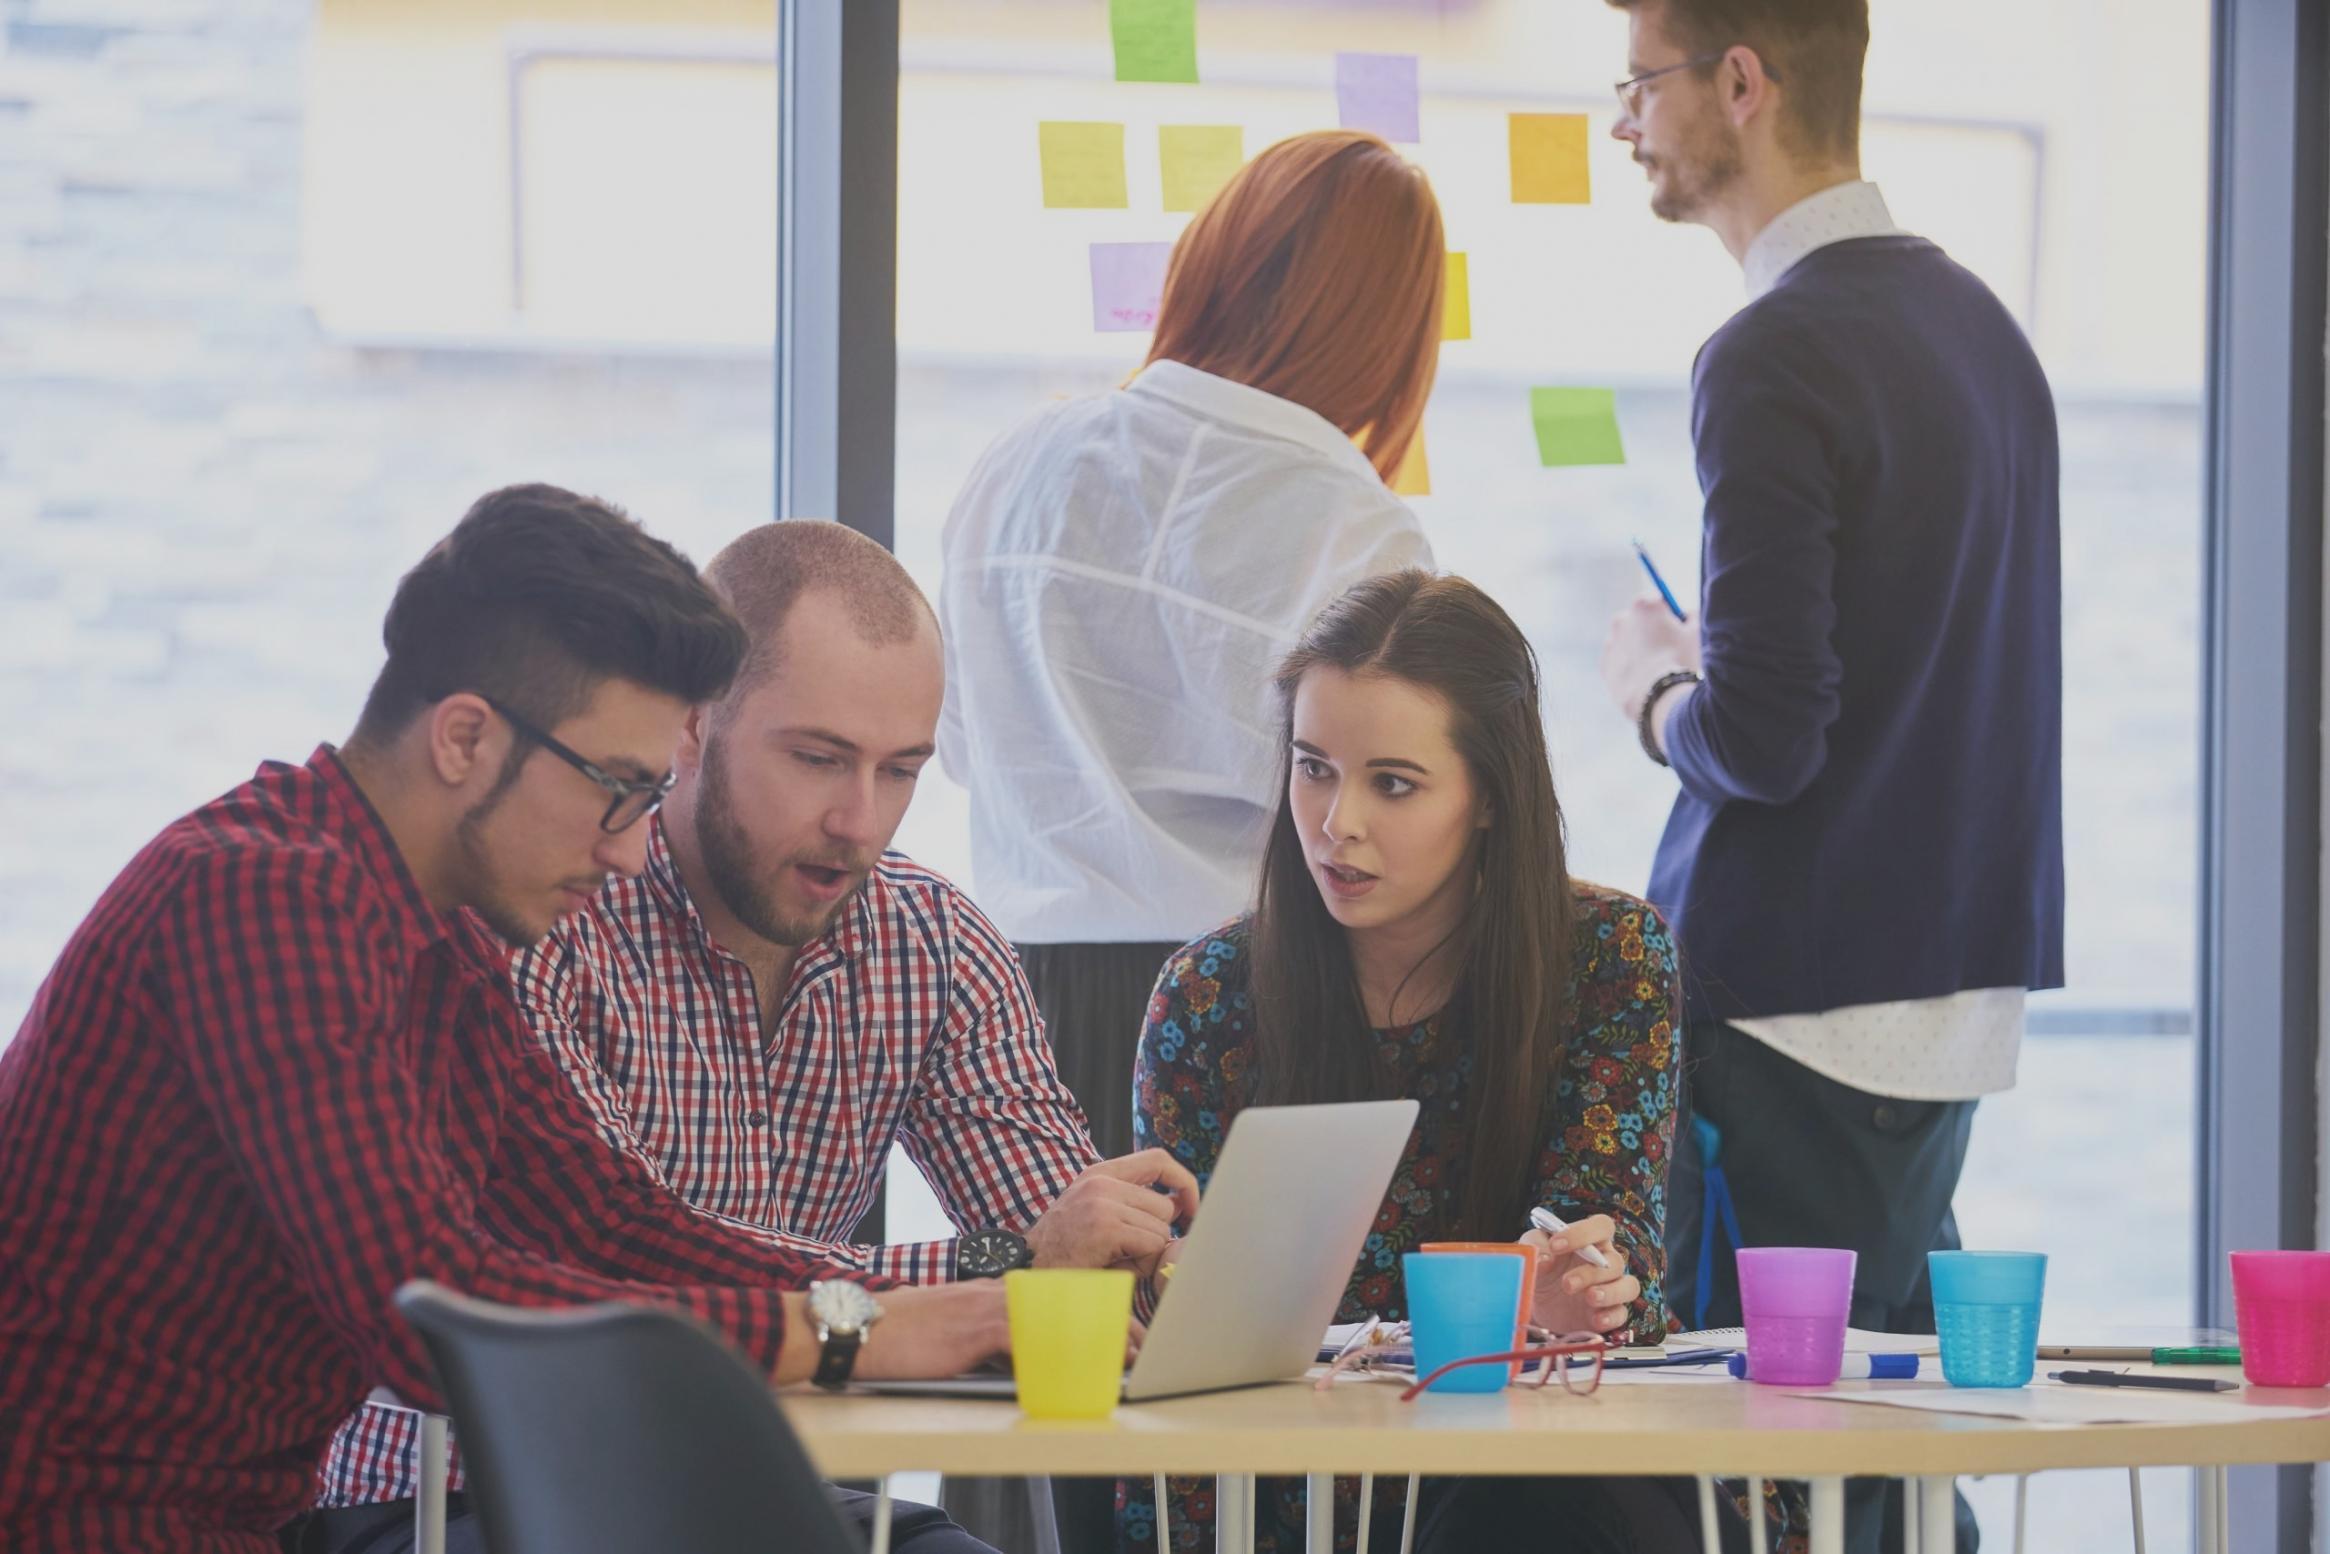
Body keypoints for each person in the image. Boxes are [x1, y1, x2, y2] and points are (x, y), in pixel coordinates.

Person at [0, 486, 1015, 1554]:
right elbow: (436, 1310)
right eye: (616, 788)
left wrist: (923, 1308)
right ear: (465, 740)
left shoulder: (443, 943)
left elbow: (614, 1226)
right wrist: (849, 1335)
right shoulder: (258, 894)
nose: (629, 849)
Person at [310, 518, 1199, 1554]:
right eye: (818, 760)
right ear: (689, 730)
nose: (858, 821)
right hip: (463, 1491)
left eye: (901, 771)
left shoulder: (929, 940)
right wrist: (967, 1282)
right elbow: (585, 1281)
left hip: (750, 1487)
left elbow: (621, 1226)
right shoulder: (524, 917)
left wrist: (1162, 1265)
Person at [1597, 3, 2062, 1550]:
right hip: (1944, 1004)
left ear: (1742, 81)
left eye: (1642, 84)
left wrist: (1656, 685)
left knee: (1755, 1479)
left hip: (1780, 1008)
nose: (1625, 123)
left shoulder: (1769, 349)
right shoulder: (1985, 333)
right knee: (1893, 1463)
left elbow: (1769, 737)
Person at [1122, 571, 1783, 1554]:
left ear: (1486, 795)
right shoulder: (1209, 994)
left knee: (1533, 1502)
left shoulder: (1606, 954)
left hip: (1543, 1452)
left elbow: (1615, 1240)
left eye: (1392, 783)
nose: (1335, 821)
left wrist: (1584, 1285)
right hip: (1287, 1474)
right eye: (1312, 767)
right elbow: (1176, 1321)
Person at [938, 128, 1442, 1162]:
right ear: (1392, 333)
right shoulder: (1357, 526)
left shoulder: (1020, 460)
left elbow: (955, 745)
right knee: (1245, 1320)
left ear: (1211, 264)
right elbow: (1364, 820)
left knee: (1044, 1311)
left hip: (1018, 994)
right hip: (1247, 999)